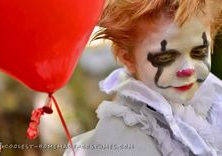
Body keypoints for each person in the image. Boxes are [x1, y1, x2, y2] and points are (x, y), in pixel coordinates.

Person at [64, 0, 222, 155]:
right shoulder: (122, 137)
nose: (187, 70)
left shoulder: (213, 101)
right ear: (128, 58)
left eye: (199, 52)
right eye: (166, 57)